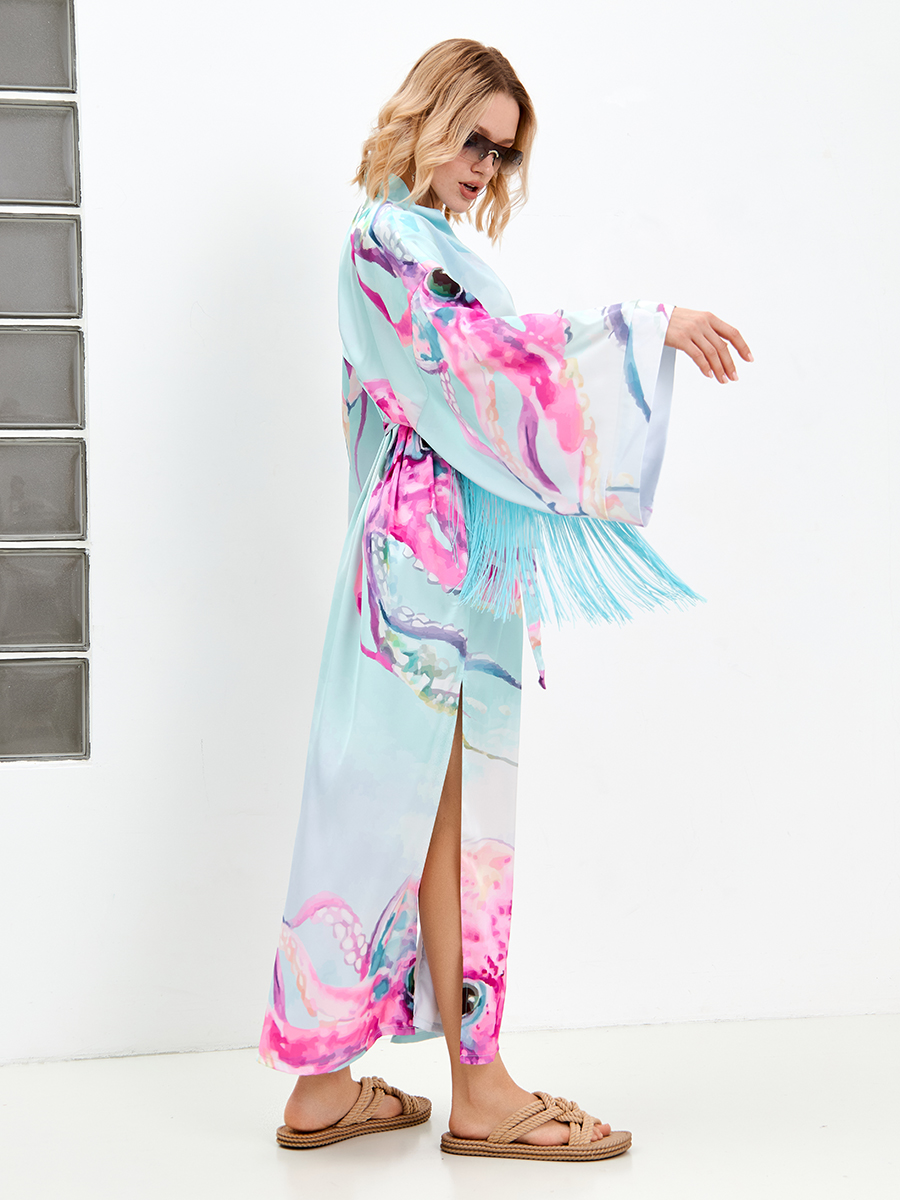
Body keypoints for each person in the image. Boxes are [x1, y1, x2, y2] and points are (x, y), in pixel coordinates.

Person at [258, 38, 751, 1162]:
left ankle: (323, 1089)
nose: (485, 164)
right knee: (435, 811)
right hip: (420, 562)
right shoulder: (390, 240)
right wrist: (644, 325)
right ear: (426, 116)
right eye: (474, 138)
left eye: (503, 151)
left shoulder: (413, 238)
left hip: (437, 553)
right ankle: (478, 1092)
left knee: (392, 803)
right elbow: (482, 360)